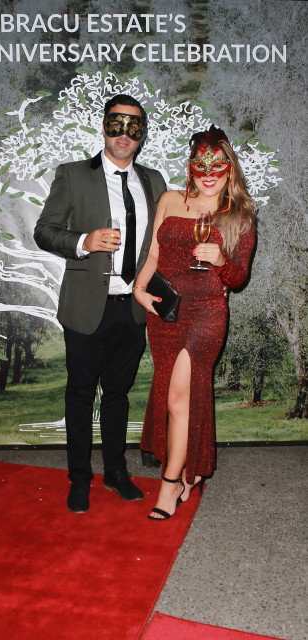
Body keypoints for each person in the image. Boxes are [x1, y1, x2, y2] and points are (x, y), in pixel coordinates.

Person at [34, 94, 166, 513]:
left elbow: (163, 242)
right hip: (86, 306)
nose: (124, 134)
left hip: (132, 307)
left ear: (142, 134)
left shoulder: (155, 182)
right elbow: (44, 231)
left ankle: (115, 472)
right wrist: (83, 242)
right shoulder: (73, 175)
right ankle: (79, 478)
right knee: (80, 394)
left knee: (118, 395)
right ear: (104, 125)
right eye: (116, 123)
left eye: (133, 126)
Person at [133, 125, 256, 520]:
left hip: (206, 311)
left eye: (217, 166)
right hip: (165, 311)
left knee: (178, 397)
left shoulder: (239, 216)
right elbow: (153, 254)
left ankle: (170, 484)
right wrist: (139, 289)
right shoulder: (170, 200)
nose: (208, 174)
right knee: (174, 397)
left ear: (229, 169)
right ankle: (191, 472)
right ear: (190, 167)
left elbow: (238, 278)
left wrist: (220, 260)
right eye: (200, 166)